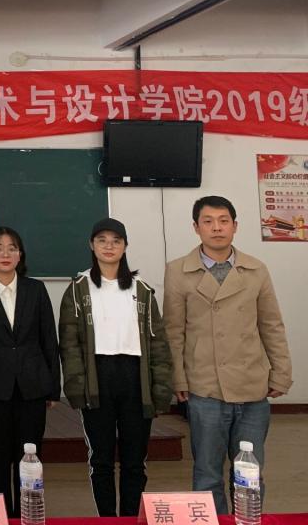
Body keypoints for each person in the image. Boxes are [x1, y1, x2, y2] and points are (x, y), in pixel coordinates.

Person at [163, 195, 292, 514]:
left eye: (223, 221)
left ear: (235, 226)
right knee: (207, 474)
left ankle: (247, 520)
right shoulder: (178, 271)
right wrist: (178, 378)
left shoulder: (256, 269)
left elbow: (271, 325)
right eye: (208, 221)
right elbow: (173, 331)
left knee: (249, 474)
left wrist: (281, 374)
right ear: (196, 228)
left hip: (252, 386)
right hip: (205, 387)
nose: (216, 228)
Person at [58, 217, 172, 517]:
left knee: (135, 461)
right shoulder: (78, 288)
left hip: (135, 379)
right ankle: (107, 519)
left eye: (116, 241)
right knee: (101, 460)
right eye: (102, 241)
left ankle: (131, 518)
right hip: (97, 380)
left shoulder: (142, 289)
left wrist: (161, 389)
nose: (109, 247)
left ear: (125, 246)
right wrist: (76, 387)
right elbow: (69, 344)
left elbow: (158, 342)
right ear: (91, 245)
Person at [0, 227, 59, 518]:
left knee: (29, 457)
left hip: (33, 386)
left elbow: (48, 340)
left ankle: (27, 517)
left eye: (12, 248)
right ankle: (0, 517)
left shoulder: (35, 289)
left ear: (20, 255)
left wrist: (53, 387)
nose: (5, 254)